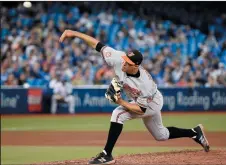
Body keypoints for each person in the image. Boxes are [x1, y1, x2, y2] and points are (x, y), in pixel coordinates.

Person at [59, 30, 210, 164]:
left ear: (136, 66)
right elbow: (98, 45)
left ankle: (106, 154)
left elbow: (141, 110)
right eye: (126, 59)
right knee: (161, 135)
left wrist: (120, 101)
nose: (124, 63)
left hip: (151, 103)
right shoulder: (119, 58)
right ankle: (194, 132)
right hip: (141, 101)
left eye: (129, 62)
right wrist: (74, 33)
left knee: (117, 114)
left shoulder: (144, 84)